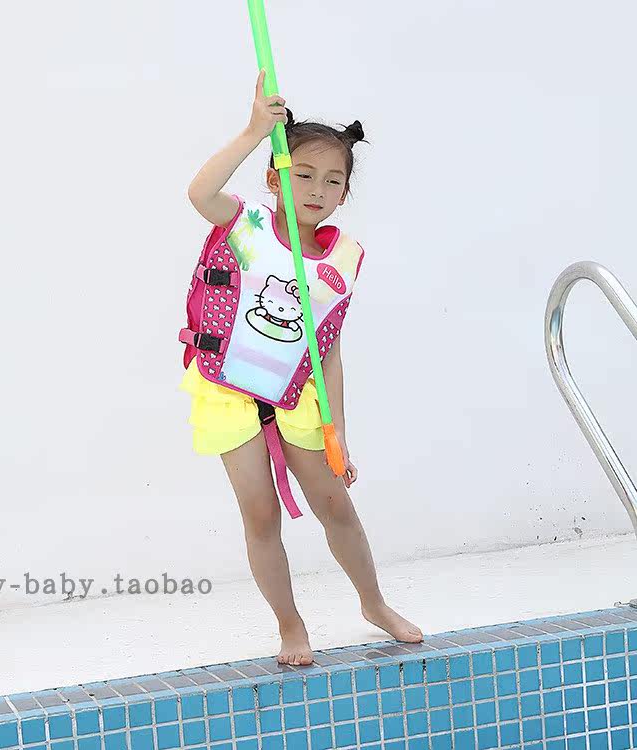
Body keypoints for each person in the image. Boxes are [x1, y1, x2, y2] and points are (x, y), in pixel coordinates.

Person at [180, 70, 423, 665]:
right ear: (275, 178)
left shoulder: (342, 259)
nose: (317, 189)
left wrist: (336, 429)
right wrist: (252, 131)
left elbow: (328, 350)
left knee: (335, 504)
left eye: (333, 180)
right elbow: (199, 192)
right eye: (303, 174)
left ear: (344, 194)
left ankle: (373, 603)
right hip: (226, 388)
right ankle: (290, 626)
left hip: (293, 394)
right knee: (261, 515)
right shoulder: (245, 226)